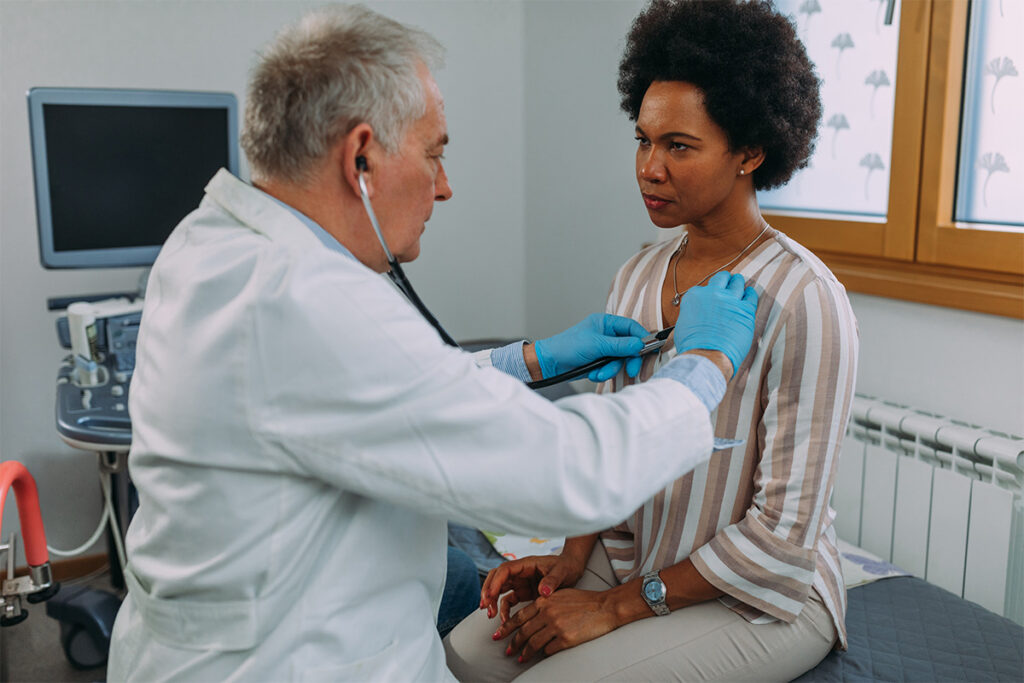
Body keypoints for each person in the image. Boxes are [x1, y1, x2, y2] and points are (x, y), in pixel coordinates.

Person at [105, 5, 761, 681]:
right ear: (360, 156)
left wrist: (530, 360)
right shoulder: (306, 300)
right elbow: (567, 471)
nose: (445, 187)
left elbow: (371, 392)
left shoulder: (212, 244)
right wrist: (704, 366)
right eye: (435, 152)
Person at [443, 1, 859, 681]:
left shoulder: (806, 299)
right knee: (466, 652)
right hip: (643, 548)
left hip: (760, 590)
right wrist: (574, 558)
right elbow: (613, 440)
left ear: (750, 152)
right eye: (643, 139)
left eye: (679, 146)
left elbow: (784, 537)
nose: (649, 167)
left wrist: (614, 605)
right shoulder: (638, 274)